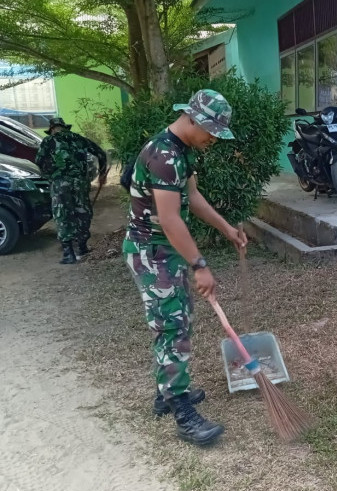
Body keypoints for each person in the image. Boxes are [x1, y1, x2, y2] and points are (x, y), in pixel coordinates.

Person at [123, 89, 247, 446]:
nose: (213, 140)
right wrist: (200, 264)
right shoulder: (163, 156)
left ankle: (167, 392)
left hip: (165, 249)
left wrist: (227, 230)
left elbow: (191, 199)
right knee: (172, 325)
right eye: (211, 131)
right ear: (192, 119)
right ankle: (181, 411)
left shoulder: (181, 151)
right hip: (151, 251)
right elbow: (169, 218)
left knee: (177, 319)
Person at [35, 117, 107, 264]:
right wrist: (102, 174)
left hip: (60, 184)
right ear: (65, 127)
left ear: (52, 129)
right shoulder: (79, 139)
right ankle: (82, 247)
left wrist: (49, 176)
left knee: (63, 214)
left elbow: (39, 161)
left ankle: (68, 253)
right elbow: (101, 153)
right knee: (82, 211)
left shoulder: (49, 141)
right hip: (80, 182)